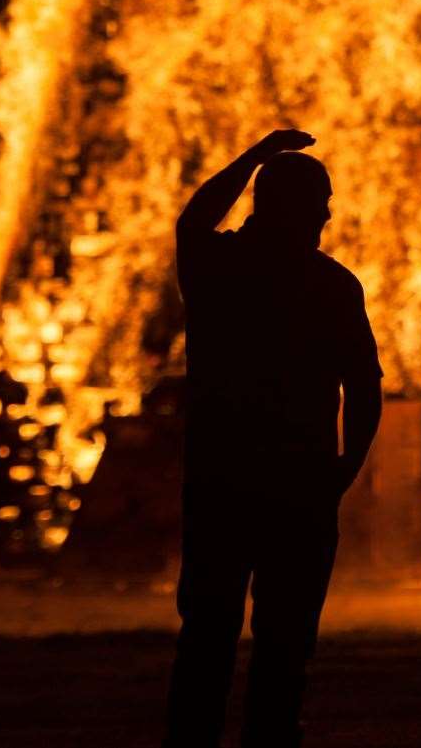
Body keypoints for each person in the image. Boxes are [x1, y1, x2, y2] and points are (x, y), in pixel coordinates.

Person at [164, 129, 382, 748]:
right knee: (286, 640)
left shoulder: (217, 268)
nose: (329, 211)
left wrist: (255, 157)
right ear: (305, 207)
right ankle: (272, 736)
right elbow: (363, 387)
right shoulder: (332, 284)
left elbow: (194, 217)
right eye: (323, 199)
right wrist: (345, 468)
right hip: (300, 485)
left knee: (206, 632)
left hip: (219, 482)